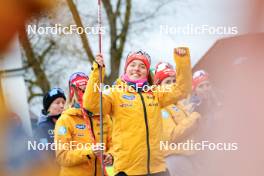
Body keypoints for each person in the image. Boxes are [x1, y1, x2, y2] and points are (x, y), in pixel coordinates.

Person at [83, 48, 192, 176]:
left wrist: (182, 60)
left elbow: (182, 89)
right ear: (126, 69)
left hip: (157, 169)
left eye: (142, 66)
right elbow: (91, 105)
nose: (136, 69)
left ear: (147, 72)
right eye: (132, 65)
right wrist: (97, 72)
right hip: (128, 171)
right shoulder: (115, 93)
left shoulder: (156, 94)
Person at [54, 72, 113, 176]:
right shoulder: (65, 120)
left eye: (87, 89)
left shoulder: (104, 117)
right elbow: (62, 156)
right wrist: (90, 152)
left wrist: (111, 155)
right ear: (73, 93)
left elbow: (114, 144)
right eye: (80, 89)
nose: (85, 93)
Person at [153, 62, 201, 176]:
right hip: (175, 158)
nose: (172, 84)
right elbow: (171, 135)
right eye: (167, 82)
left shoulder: (178, 104)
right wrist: (195, 117)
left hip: (188, 155)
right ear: (159, 86)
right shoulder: (160, 106)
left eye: (174, 81)